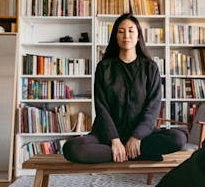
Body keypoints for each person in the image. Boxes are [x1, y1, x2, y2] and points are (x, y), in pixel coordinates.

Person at [63, 13, 186, 164]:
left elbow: (153, 108)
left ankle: (127, 151)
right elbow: (101, 108)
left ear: (138, 36)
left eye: (131, 31)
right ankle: (131, 153)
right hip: (107, 136)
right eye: (121, 31)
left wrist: (136, 137)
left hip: (142, 136)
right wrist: (114, 140)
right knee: (72, 147)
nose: (126, 35)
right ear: (115, 36)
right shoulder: (104, 67)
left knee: (179, 138)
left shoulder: (150, 68)